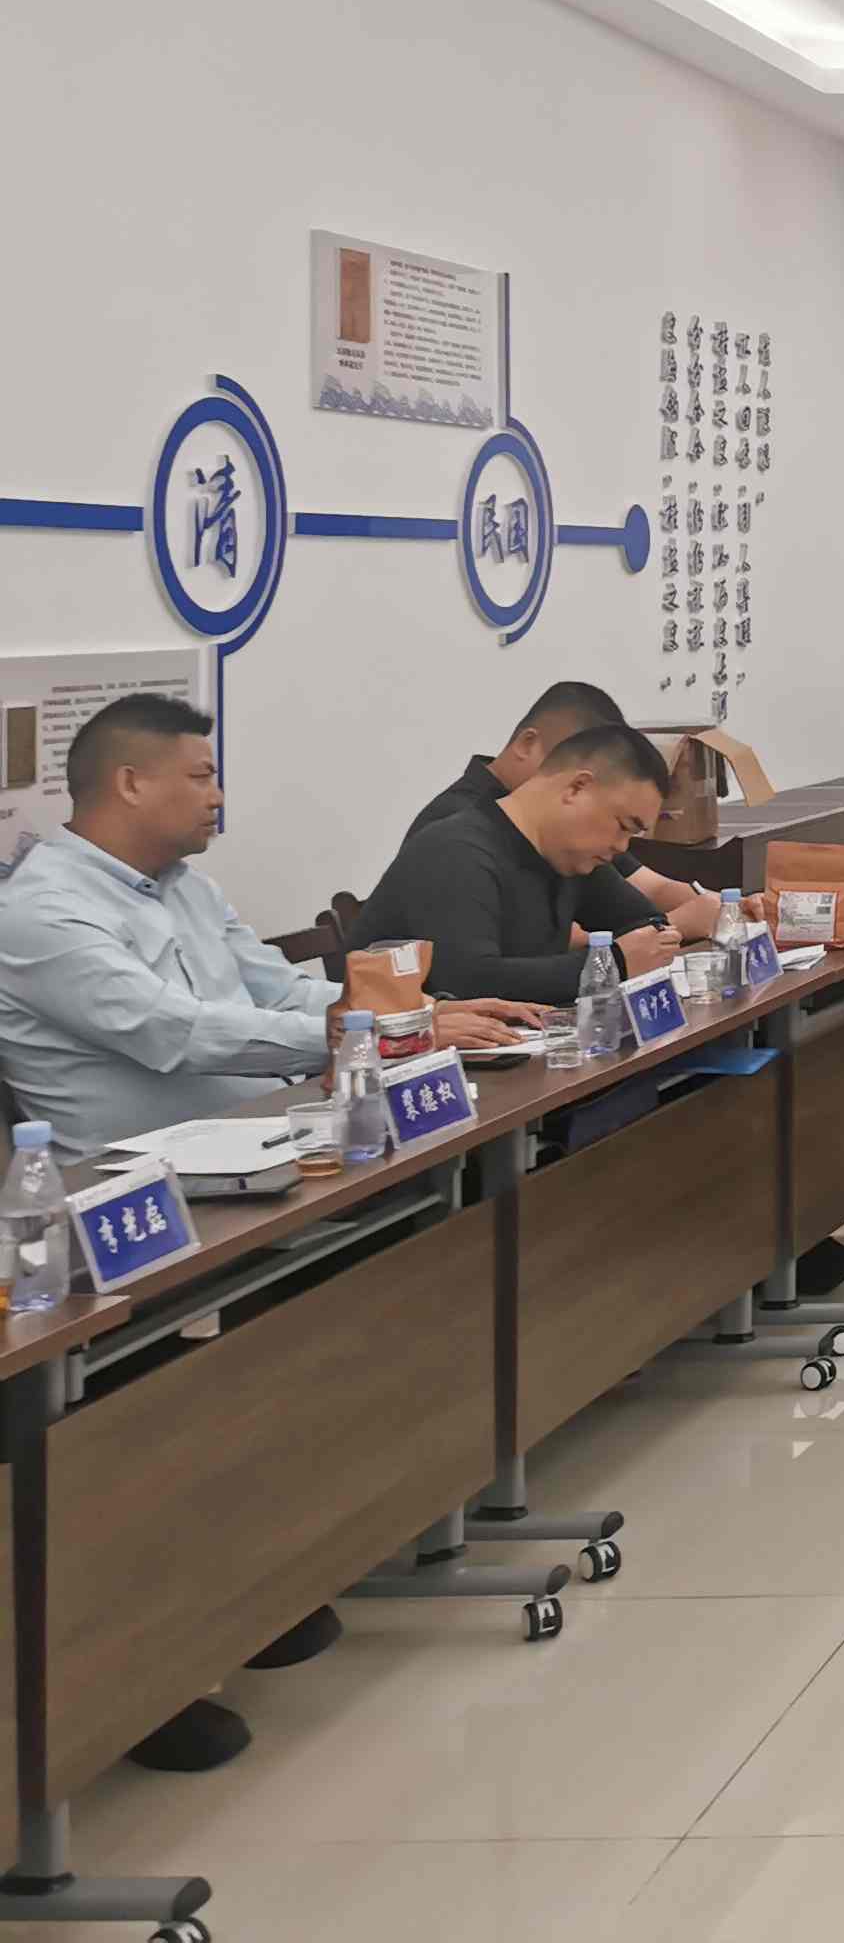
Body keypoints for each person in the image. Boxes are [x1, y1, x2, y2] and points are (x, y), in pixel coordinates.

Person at [0, 693, 521, 1775]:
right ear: (129, 782)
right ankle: (140, 1678)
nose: (218, 796)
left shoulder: (182, 886)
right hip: (126, 1213)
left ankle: (266, 1580)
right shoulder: (41, 911)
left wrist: (392, 1018)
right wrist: (353, 1031)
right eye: (200, 775)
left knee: (333, 1332)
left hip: (248, 1168)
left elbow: (275, 982)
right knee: (152, 1427)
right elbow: (171, 1030)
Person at [355, 723, 678, 1006]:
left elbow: (647, 925)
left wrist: (636, 950)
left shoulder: (568, 856)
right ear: (577, 788)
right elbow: (467, 984)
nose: (622, 847)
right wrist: (610, 963)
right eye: (623, 826)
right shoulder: (453, 851)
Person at [406, 679, 717, 945]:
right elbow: (545, 944)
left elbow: (649, 887)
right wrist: (672, 929)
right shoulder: (454, 827)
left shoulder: (577, 829)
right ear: (527, 744)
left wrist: (723, 908)